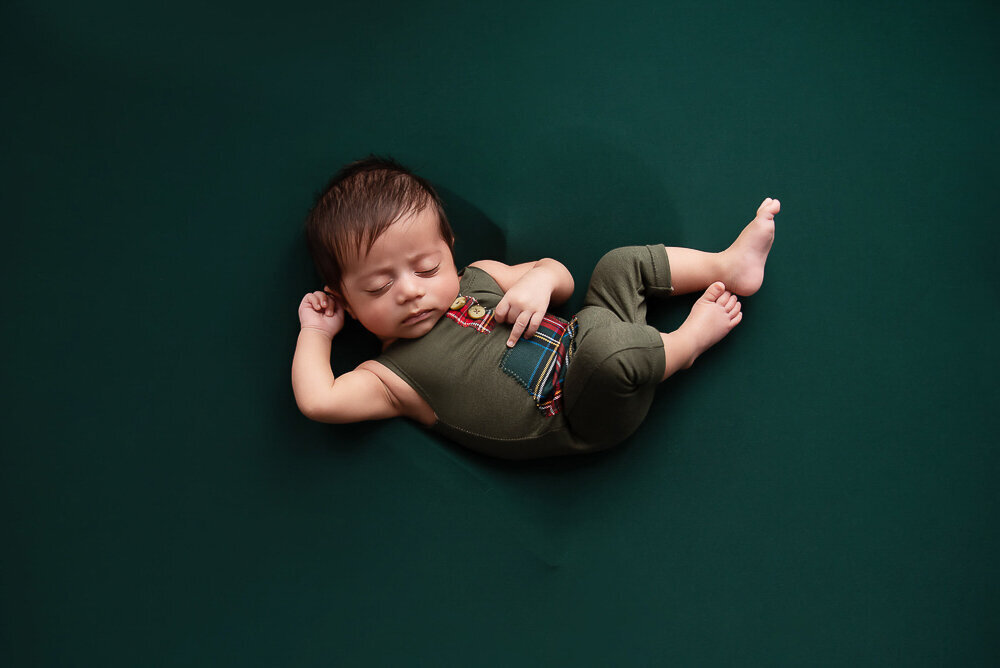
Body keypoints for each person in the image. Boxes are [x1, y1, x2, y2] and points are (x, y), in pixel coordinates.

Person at [292, 156, 779, 460]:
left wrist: (541, 281)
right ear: (347, 303)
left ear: (449, 248)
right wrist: (317, 331)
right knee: (606, 349)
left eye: (425, 269)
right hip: (582, 414)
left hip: (593, 340)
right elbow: (320, 400)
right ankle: (686, 343)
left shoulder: (479, 275)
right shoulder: (389, 378)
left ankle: (728, 265)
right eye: (378, 287)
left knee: (618, 266)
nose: (409, 292)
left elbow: (561, 274)